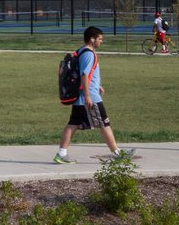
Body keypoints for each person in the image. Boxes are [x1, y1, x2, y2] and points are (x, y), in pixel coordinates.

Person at [54, 26, 134, 164]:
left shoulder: (81, 51)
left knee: (73, 124)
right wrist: (88, 96)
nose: (101, 41)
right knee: (104, 123)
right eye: (100, 39)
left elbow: (87, 74)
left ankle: (61, 154)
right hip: (89, 97)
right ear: (92, 39)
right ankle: (117, 153)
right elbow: (84, 75)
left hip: (85, 95)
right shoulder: (88, 54)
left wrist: (97, 86)